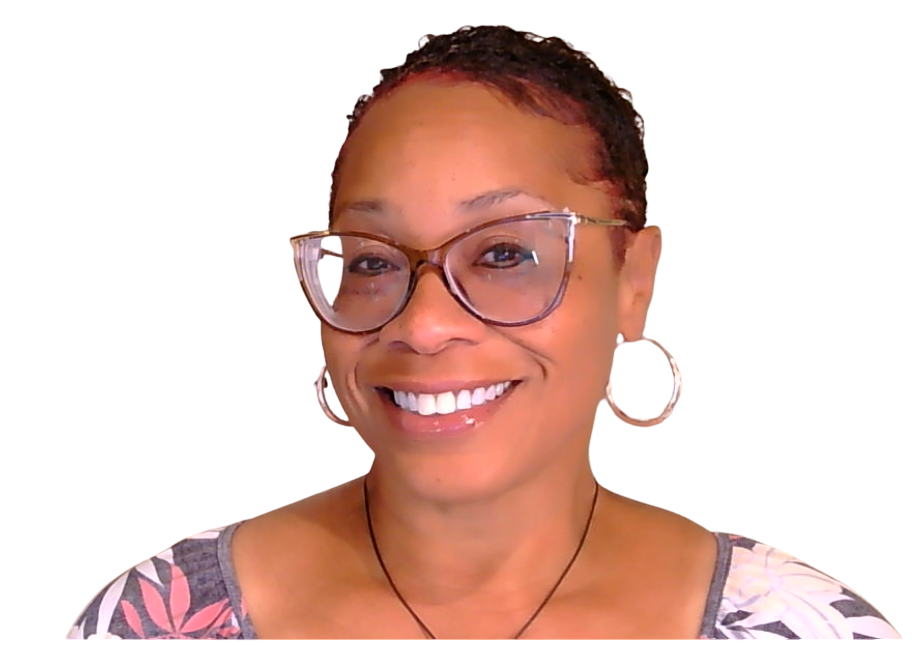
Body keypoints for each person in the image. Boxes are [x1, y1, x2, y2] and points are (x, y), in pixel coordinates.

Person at [68, 25, 907, 640]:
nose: (425, 324)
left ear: (634, 284)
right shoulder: (155, 617)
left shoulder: (808, 624)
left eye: (505, 252)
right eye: (369, 262)